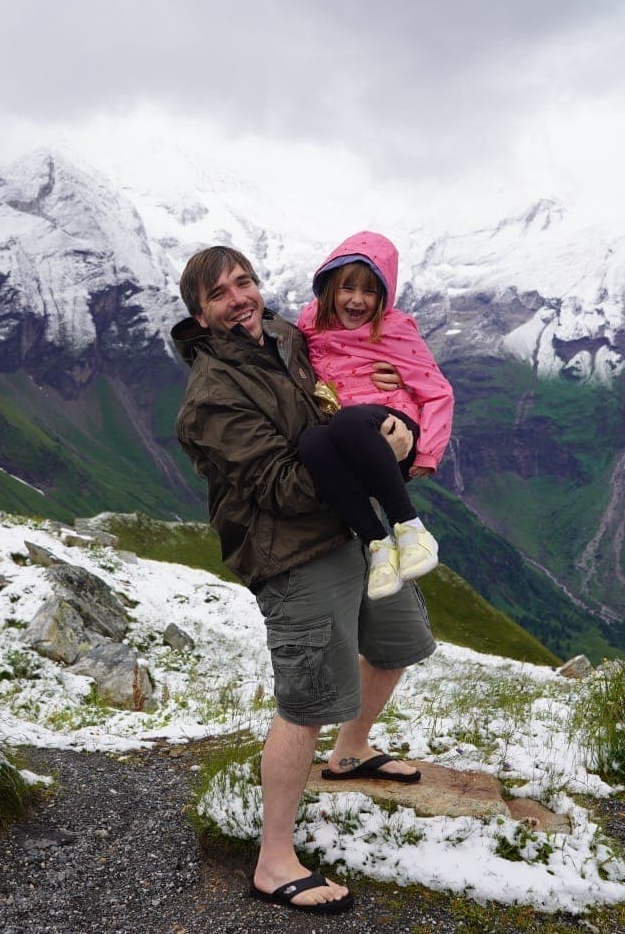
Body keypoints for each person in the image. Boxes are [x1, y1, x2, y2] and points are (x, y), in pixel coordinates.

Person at [173, 245, 437, 915]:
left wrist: (391, 421)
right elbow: (279, 487)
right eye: (220, 294)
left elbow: (341, 398)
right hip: (289, 550)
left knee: (401, 639)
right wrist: (371, 466)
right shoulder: (211, 397)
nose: (240, 298)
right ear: (200, 316)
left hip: (352, 529)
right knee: (308, 699)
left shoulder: (290, 338)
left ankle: (352, 753)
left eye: (244, 282)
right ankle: (273, 861)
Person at [296, 230, 455, 600]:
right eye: (346, 288)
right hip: (349, 439)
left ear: (383, 295)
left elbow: (438, 390)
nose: (356, 300)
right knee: (312, 441)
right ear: (328, 288)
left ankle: (409, 526)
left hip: (394, 425)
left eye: (369, 291)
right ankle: (378, 544)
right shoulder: (311, 323)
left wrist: (427, 452)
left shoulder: (394, 330)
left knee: (347, 422)